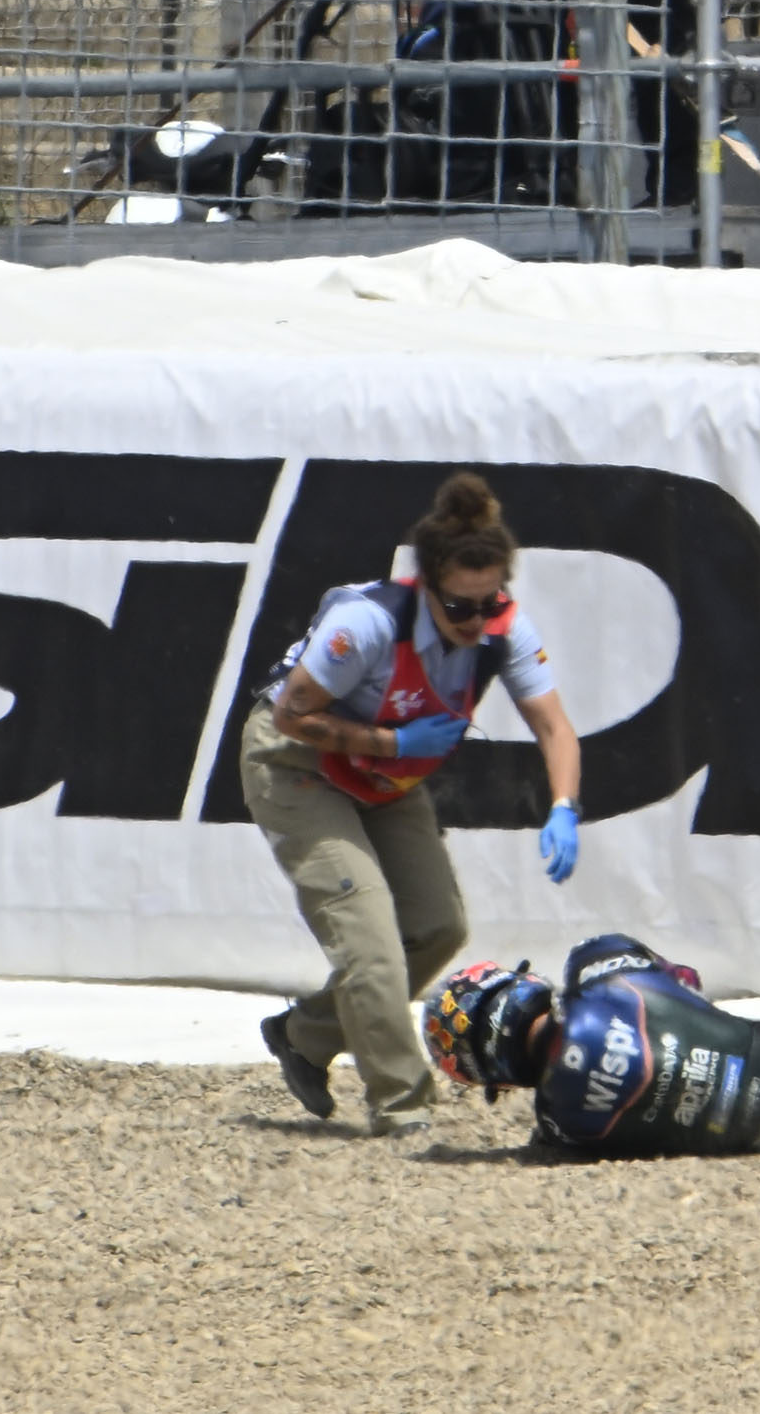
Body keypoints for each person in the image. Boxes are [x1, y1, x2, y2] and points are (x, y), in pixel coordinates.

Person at [239, 468, 589, 1137]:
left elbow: (555, 727)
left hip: (382, 778)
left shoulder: (502, 629)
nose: (476, 620)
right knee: (368, 938)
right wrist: (391, 740)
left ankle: (303, 1035)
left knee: (437, 928)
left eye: (490, 603)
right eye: (460, 607)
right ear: (426, 588)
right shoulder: (364, 624)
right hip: (298, 765)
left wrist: (563, 807)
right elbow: (289, 716)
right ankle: (404, 1108)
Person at [423, 935, 760, 1157]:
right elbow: (687, 979)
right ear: (517, 986)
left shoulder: (561, 1129)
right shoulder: (597, 963)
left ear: (495, 1076)